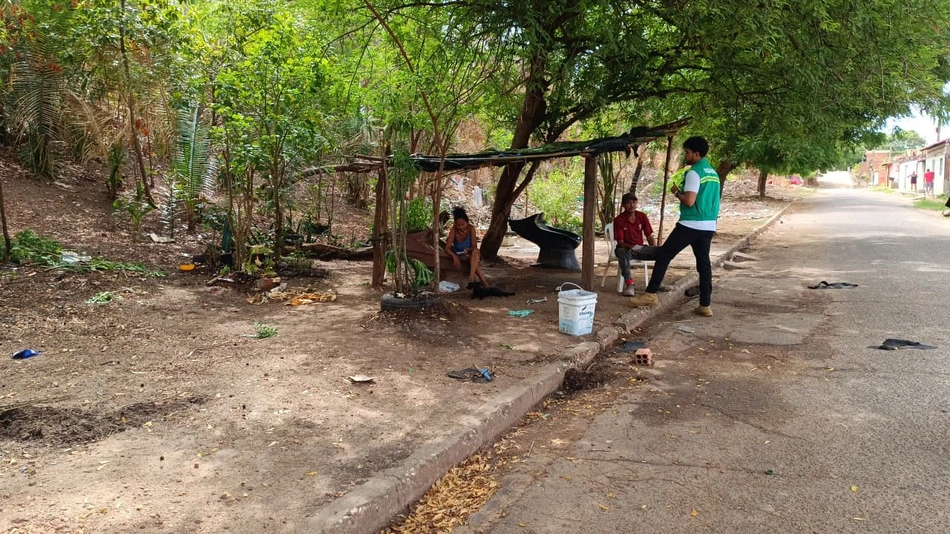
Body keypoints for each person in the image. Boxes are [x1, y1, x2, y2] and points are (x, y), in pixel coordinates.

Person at [628, 136, 721, 317]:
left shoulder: (695, 172)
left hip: (690, 223)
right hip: (708, 225)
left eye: (687, 152)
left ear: (696, 153)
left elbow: (689, 200)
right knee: (704, 264)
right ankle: (705, 305)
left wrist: (676, 192)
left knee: (664, 255)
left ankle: (651, 294)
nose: (685, 155)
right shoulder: (713, 173)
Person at [612, 193, 659, 296]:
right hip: (625, 249)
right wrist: (630, 247)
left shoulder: (642, 216)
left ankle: (658, 283)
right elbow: (620, 241)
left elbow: (650, 235)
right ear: (623, 205)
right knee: (622, 253)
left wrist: (654, 249)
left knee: (663, 252)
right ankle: (630, 284)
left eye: (634, 202)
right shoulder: (619, 220)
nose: (632, 205)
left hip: (640, 248)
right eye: (629, 203)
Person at [444, 206, 488, 285]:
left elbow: (474, 247)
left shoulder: (471, 229)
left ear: (467, 223)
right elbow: (447, 248)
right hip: (458, 254)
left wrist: (468, 249)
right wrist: (455, 257)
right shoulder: (453, 230)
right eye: (458, 225)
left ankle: (471, 277)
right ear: (455, 224)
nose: (461, 227)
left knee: (475, 252)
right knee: (470, 258)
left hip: (470, 253)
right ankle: (483, 282)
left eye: (463, 224)